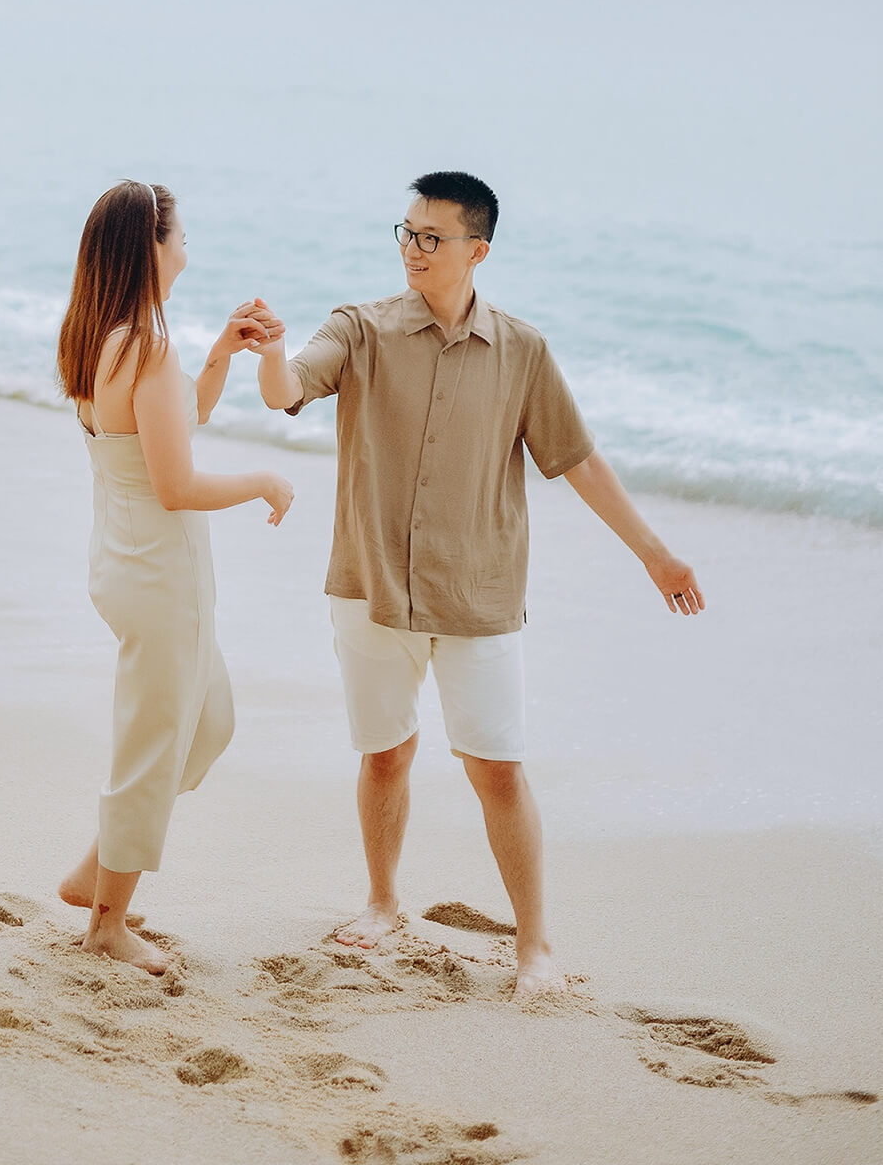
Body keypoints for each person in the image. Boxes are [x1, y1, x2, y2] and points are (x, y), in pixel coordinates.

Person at [254, 169, 704, 999]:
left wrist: (655, 554)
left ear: (478, 250)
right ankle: (383, 902)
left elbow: (577, 460)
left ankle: (534, 945)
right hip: (371, 582)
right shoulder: (358, 328)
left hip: (479, 592)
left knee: (497, 766)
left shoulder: (523, 351)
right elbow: (287, 390)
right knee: (385, 753)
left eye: (433, 238)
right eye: (407, 233)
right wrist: (270, 350)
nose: (414, 250)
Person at [55, 179, 294, 974]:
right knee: (155, 744)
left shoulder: (102, 335)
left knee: (208, 722)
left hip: (126, 560)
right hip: (161, 572)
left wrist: (223, 354)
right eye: (180, 233)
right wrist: (263, 481)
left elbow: (169, 424)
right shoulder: (145, 346)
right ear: (151, 246)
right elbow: (176, 485)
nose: (188, 245)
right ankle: (106, 924)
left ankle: (97, 868)